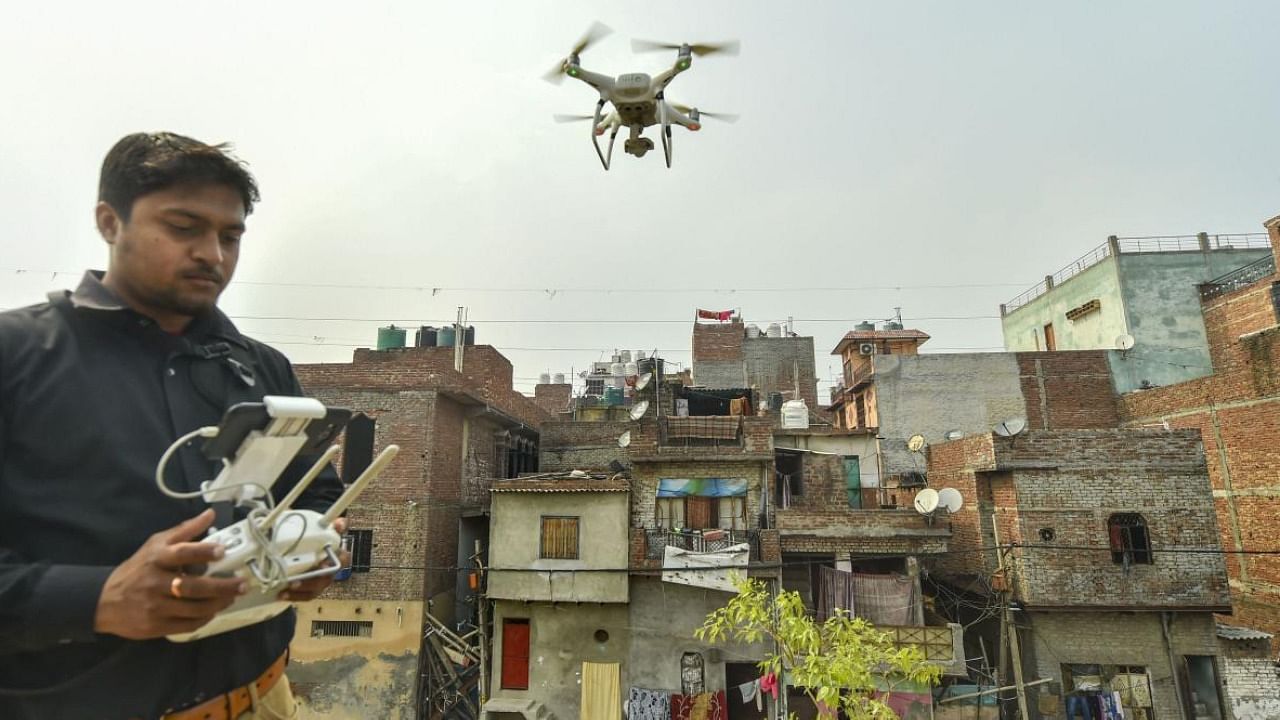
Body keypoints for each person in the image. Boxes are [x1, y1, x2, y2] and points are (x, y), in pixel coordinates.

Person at [0, 132, 348, 719]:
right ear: (110, 222)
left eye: (230, 235)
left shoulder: (260, 366)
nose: (212, 254)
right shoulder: (17, 356)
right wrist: (95, 600)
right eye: (184, 227)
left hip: (265, 698)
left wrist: (311, 550)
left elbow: (317, 493)